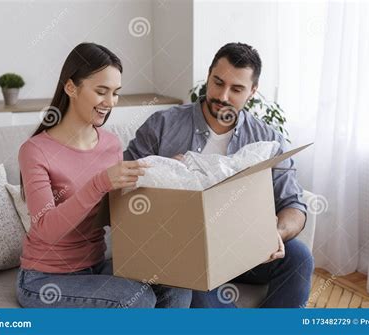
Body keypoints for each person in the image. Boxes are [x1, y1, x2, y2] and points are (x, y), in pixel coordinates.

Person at [124, 42, 314, 308]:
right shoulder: (162, 126)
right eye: (217, 82)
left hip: (243, 250)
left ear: (253, 91)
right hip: (182, 253)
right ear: (209, 75)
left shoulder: (267, 140)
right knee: (191, 275)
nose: (223, 96)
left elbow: (294, 205)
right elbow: (122, 188)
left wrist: (277, 233)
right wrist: (163, 169)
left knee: (299, 257)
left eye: (236, 89)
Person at [16, 42, 192, 308]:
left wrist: (161, 170)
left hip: (96, 266)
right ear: (71, 87)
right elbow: (45, 230)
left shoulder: (110, 143)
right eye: (101, 91)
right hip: (45, 278)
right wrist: (99, 183)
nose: (110, 103)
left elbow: (118, 211)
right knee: (136, 301)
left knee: (178, 286)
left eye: (115, 93)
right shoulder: (35, 150)